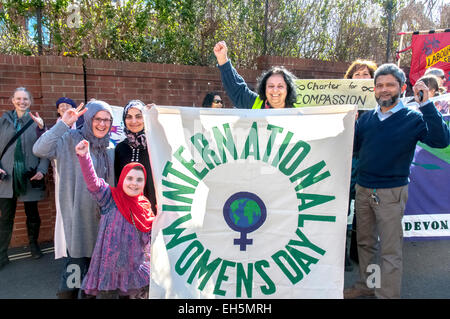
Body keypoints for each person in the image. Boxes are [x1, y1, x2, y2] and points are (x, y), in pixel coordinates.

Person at [344, 64, 450, 299]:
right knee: (365, 244)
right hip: (363, 189)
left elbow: (441, 140)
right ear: (374, 89)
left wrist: (427, 104)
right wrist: (347, 126)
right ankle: (366, 286)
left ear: (402, 88)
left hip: (391, 193)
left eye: (390, 85)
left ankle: (387, 295)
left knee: (390, 252)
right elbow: (353, 149)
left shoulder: (414, 117)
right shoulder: (367, 118)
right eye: (379, 85)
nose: (384, 90)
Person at [33, 100, 115, 298]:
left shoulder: (110, 147)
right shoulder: (69, 139)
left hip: (104, 224)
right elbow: (39, 150)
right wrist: (63, 123)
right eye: (97, 119)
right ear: (88, 119)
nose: (102, 124)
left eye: (107, 120)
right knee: (73, 279)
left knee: (96, 283)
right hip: (78, 223)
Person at [75, 139, 154, 298]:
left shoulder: (145, 206)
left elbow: (149, 238)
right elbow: (93, 183)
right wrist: (84, 157)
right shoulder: (110, 197)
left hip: (133, 271)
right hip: (108, 270)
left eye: (139, 180)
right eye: (130, 178)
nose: (134, 183)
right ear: (122, 178)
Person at [0, 87, 50, 270]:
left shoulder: (38, 123)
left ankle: (33, 245)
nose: (22, 102)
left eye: (25, 99)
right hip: (6, 178)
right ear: (12, 100)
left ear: (30, 101)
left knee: (33, 215)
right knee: (5, 217)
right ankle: (2, 254)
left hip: (30, 176)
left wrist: (42, 170)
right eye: (18, 98)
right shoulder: (3, 122)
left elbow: (46, 149)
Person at [344, 59, 378, 272]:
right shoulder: (342, 100)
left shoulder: (380, 103)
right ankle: (340, 253)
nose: (361, 78)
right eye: (357, 74)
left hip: (369, 163)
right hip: (345, 163)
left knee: (363, 213)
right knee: (341, 208)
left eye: (366, 74)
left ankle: (357, 253)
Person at [213, 41, 297, 109]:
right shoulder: (254, 103)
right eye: (271, 86)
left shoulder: (299, 115)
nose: (275, 90)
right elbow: (236, 89)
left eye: (280, 86)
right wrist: (222, 59)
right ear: (264, 89)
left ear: (288, 89)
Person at [114, 100, 157, 213]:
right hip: (125, 212)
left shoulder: (156, 145)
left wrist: (156, 115)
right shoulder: (120, 148)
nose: (134, 121)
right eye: (129, 117)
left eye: (139, 116)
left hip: (152, 212)